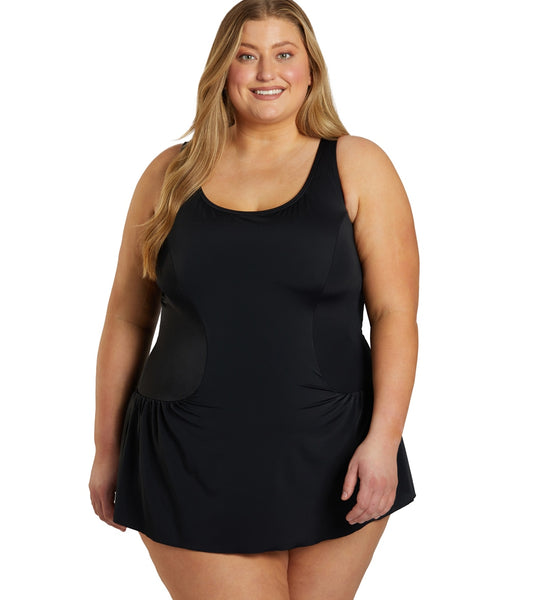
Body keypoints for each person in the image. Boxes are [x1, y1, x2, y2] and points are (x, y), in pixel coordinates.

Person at [88, 0, 419, 598]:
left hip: (334, 450)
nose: (267, 72)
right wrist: (106, 449)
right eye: (247, 56)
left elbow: (395, 315)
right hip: (188, 453)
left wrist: (384, 440)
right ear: (223, 69)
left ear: (311, 70)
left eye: (284, 54)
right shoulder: (169, 175)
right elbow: (127, 317)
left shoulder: (358, 164)